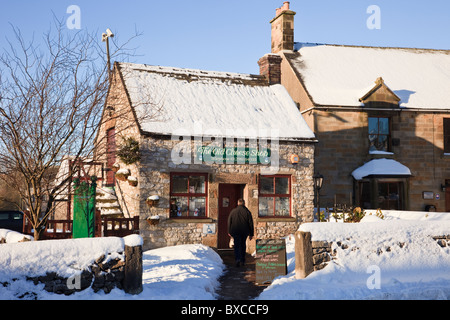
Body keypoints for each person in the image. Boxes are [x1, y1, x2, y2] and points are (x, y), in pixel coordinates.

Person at [227, 199, 254, 267]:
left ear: (238, 203)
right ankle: (242, 260)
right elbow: (251, 223)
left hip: (235, 231)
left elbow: (229, 221)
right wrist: (251, 234)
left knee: (236, 245)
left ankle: (237, 259)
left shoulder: (233, 211)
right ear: (244, 204)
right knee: (243, 245)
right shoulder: (247, 212)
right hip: (244, 231)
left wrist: (229, 231)